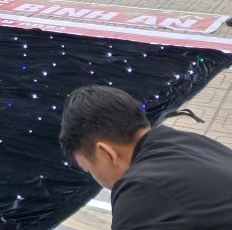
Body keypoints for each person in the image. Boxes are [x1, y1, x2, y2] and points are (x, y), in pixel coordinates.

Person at [59, 85, 232, 229]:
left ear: (106, 152)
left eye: (89, 169)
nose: (96, 179)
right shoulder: (193, 142)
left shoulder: (140, 190)